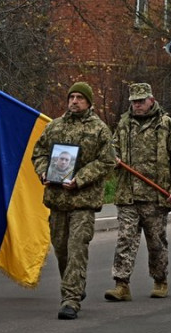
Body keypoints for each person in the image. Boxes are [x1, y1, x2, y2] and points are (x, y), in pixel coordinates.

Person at [32, 82, 115, 320]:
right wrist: (43, 172)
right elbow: (39, 153)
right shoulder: (54, 127)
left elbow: (107, 161)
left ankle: (70, 299)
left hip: (83, 201)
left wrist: (80, 179)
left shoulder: (99, 129)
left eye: (80, 97)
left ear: (89, 102)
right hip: (57, 199)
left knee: (77, 247)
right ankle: (75, 284)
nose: (74, 101)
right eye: (72, 97)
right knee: (61, 249)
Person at [105, 83, 171, 302]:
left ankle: (160, 280)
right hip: (128, 195)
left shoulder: (166, 125)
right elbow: (113, 151)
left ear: (151, 100)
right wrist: (113, 159)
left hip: (155, 196)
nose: (137, 105)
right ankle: (121, 284)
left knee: (156, 242)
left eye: (141, 101)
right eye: (134, 101)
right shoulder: (124, 124)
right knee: (125, 239)